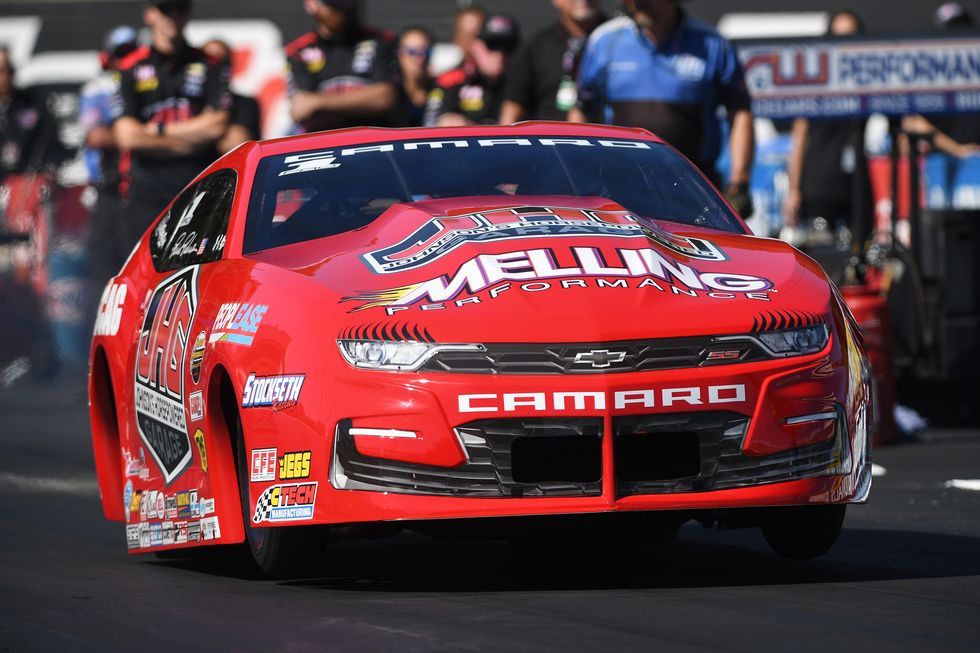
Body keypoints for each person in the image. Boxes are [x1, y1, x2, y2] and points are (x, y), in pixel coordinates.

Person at [570, 0, 754, 215]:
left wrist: (739, 182)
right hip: (619, 188)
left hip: (694, 188)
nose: (636, 4)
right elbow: (581, 109)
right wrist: (575, 174)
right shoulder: (605, 41)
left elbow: (740, 110)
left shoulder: (712, 44)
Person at [112, 0, 232, 240]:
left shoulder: (210, 64)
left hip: (199, 191)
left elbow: (217, 125)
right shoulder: (130, 67)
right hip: (146, 195)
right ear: (150, 15)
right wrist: (182, 141)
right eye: (166, 9)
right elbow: (127, 135)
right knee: (143, 276)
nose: (173, 17)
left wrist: (156, 131)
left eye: (181, 9)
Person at [783, 10, 873, 250]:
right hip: (818, 185)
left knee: (860, 256)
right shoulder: (816, 80)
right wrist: (793, 189)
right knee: (821, 257)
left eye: (851, 36)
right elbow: (799, 137)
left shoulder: (870, 77)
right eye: (839, 35)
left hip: (857, 186)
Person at [79, 26, 138, 287]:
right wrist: (139, 135)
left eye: (132, 52)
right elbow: (95, 135)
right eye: (121, 53)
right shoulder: (97, 89)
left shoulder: (145, 82)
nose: (126, 58)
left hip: (141, 189)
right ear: (107, 58)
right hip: (108, 189)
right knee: (102, 270)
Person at [285, 0, 399, 132]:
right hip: (323, 143)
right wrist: (363, 102)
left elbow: (385, 98)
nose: (343, 10)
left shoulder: (383, 41)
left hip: (375, 139)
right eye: (334, 5)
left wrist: (319, 102)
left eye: (347, 3)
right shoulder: (298, 51)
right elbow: (301, 109)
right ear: (312, 5)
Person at [499, 0, 604, 124]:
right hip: (546, 139)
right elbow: (513, 105)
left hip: (607, 138)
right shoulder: (538, 45)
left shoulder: (617, 40)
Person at [426, 13, 520, 126]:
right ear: (475, 45)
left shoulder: (527, 83)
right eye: (492, 45)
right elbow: (432, 125)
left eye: (508, 47)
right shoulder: (449, 81)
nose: (500, 54)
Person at [0, 48, 57, 185]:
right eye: (1, 71)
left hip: (24, 187)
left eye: (9, 70)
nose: (6, 76)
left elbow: (51, 147)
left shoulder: (32, 106)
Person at [201, 38, 262, 151]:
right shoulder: (187, 101)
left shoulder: (245, 104)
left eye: (220, 60)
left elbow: (238, 143)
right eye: (208, 59)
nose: (214, 67)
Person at [393, 27, 435, 128]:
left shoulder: (443, 89)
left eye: (426, 51)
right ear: (399, 54)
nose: (420, 57)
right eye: (412, 51)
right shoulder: (390, 93)